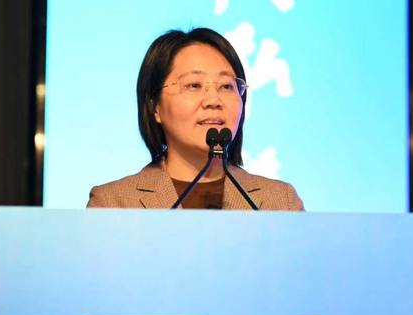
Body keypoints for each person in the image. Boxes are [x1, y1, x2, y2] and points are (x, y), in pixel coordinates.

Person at [87, 27, 305, 210]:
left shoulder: (281, 203)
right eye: (194, 85)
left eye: (226, 86)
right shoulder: (113, 204)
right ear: (154, 106)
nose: (213, 100)